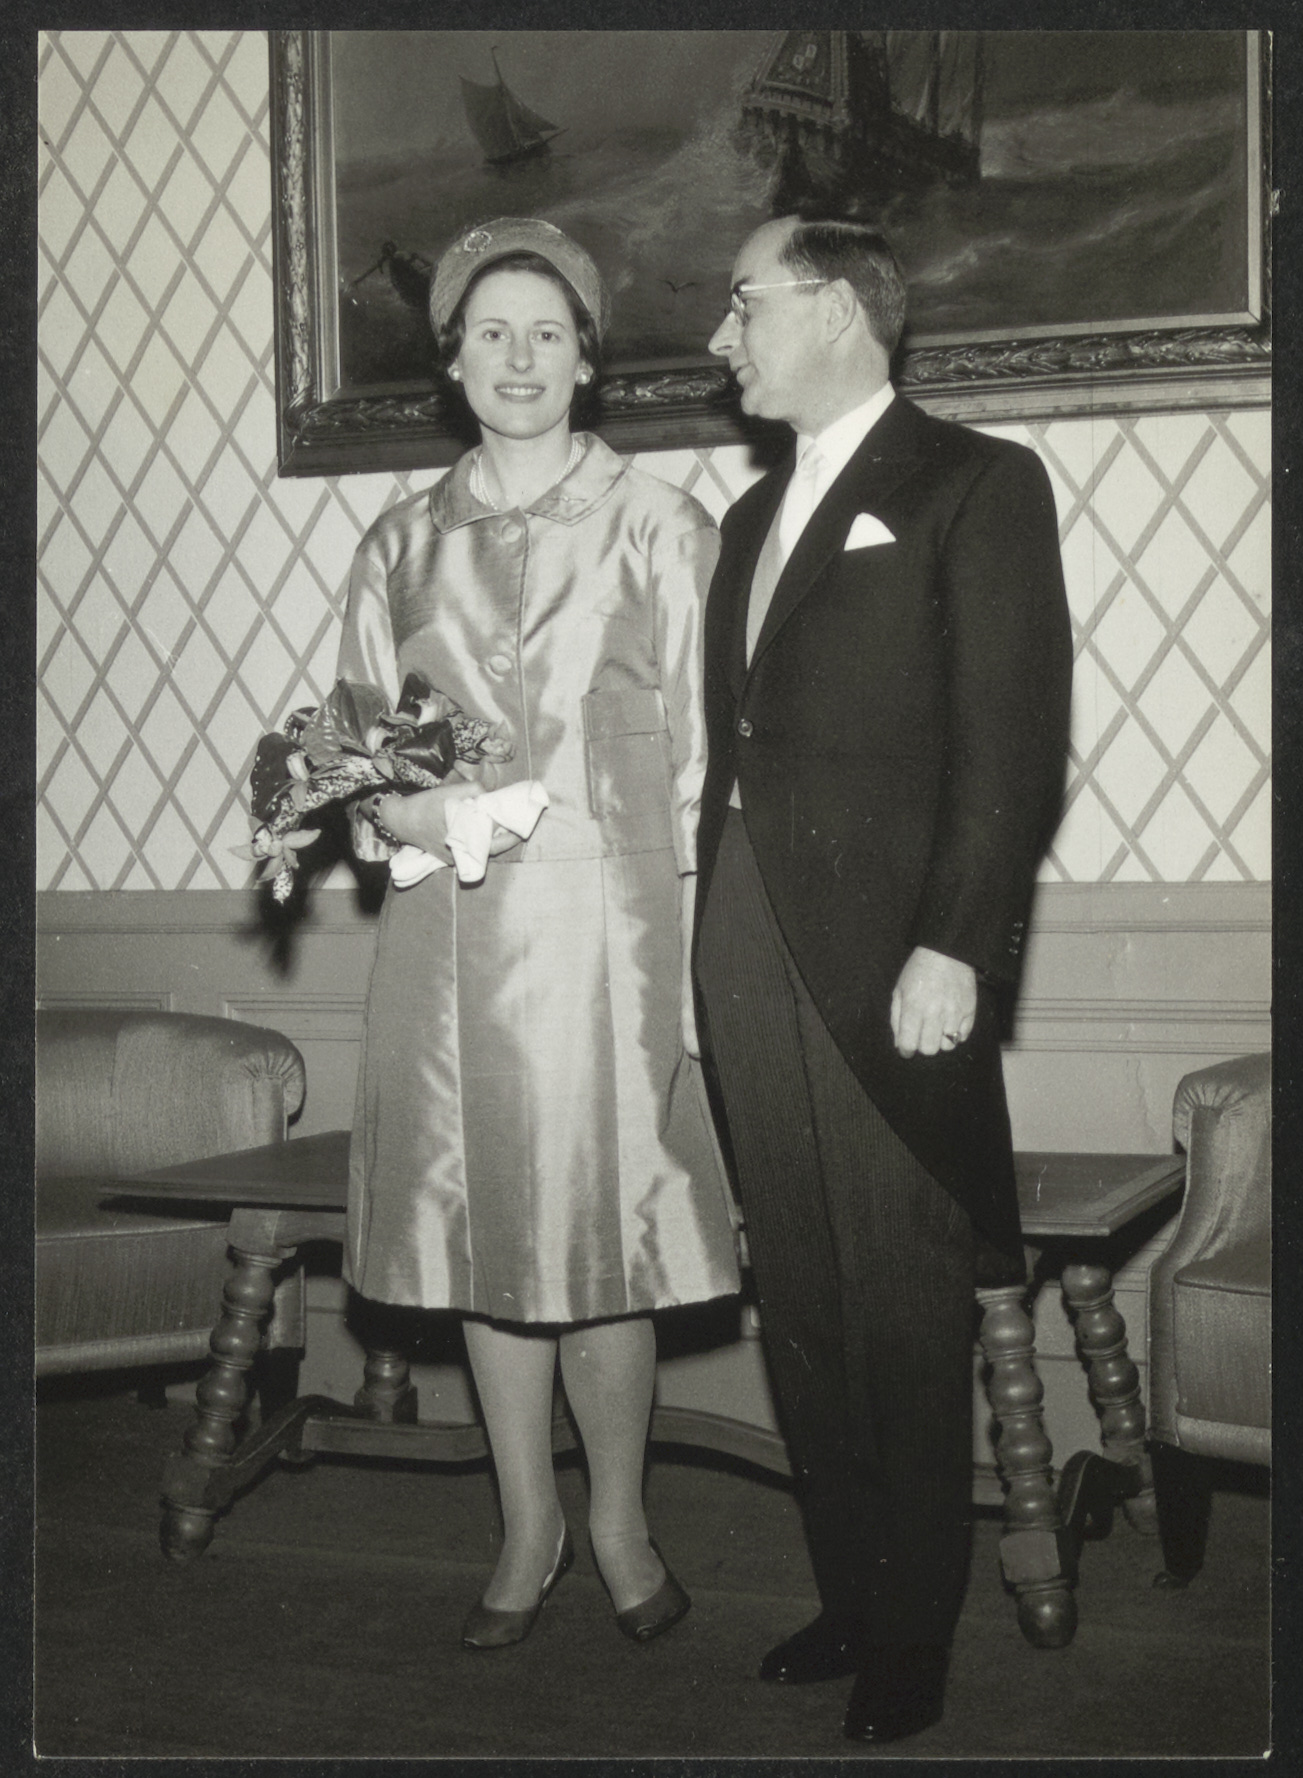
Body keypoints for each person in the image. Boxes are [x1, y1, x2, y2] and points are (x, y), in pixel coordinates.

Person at [693, 214, 1073, 1742]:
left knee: (907, 1304)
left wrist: (956, 941)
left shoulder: (976, 482)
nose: (720, 337)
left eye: (744, 304)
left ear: (842, 310)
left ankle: (914, 1633)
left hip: (895, 959)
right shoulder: (748, 517)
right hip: (745, 946)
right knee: (802, 1298)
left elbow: (1012, 741)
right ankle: (849, 1595)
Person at [337, 216, 738, 1651]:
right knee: (480, 1239)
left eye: (547, 333)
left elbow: (713, 769)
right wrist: (411, 806)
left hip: (614, 949)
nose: (519, 358)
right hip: (446, 940)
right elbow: (361, 758)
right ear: (452, 362)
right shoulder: (400, 543)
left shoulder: (663, 527)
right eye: (491, 334)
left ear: (587, 361)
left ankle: (619, 1519)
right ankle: (526, 1524)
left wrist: (698, 972)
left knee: (602, 1242)